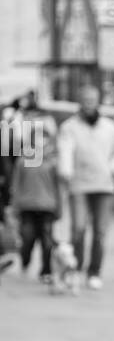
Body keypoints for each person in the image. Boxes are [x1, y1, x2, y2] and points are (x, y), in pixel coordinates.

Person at [57, 83, 114, 290]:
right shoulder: (69, 127)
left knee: (100, 231)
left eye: (92, 100)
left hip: (104, 184)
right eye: (85, 100)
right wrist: (66, 171)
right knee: (78, 229)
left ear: (98, 102)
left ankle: (94, 271)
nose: (89, 104)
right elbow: (65, 150)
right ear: (79, 102)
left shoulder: (109, 126)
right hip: (78, 184)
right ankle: (75, 268)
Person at [11, 96, 60, 281]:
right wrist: (14, 207)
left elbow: (58, 188)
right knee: (28, 239)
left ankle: (46, 271)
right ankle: (25, 261)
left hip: (47, 206)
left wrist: (59, 208)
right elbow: (16, 185)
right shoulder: (23, 161)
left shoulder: (52, 162)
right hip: (27, 206)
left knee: (48, 242)